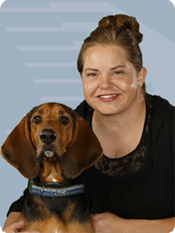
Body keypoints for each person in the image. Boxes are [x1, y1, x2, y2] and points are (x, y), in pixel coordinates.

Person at [3, 14, 175, 233]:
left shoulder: (170, 128)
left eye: (118, 72)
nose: (104, 84)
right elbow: (35, 192)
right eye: (93, 74)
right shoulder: (70, 125)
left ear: (140, 76)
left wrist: (126, 227)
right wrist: (10, 229)